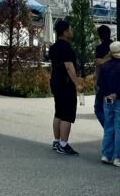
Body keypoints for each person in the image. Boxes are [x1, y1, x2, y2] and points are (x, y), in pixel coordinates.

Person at [49, 18, 83, 155]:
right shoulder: (66, 48)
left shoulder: (53, 47)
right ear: (65, 32)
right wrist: (77, 84)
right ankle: (64, 144)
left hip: (56, 81)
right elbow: (69, 67)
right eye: (70, 29)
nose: (72, 31)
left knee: (58, 112)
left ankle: (57, 141)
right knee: (67, 115)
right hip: (66, 83)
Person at [97, 40, 120, 167]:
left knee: (109, 127)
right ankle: (118, 157)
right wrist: (116, 94)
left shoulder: (104, 66)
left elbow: (100, 83)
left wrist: (108, 94)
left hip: (107, 99)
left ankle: (106, 154)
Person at [94, 24, 113, 127]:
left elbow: (99, 63)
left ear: (99, 36)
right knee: (110, 108)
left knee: (98, 109)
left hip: (103, 85)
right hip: (115, 84)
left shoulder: (100, 48)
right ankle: (110, 128)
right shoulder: (115, 47)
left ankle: (108, 128)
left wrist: (96, 81)